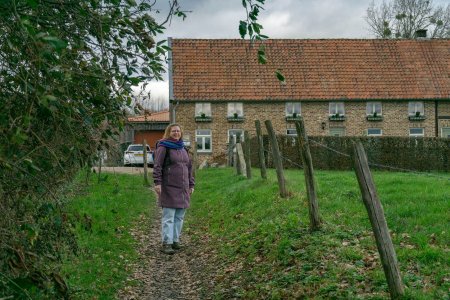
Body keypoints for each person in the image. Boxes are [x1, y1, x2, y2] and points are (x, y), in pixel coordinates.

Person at [153, 123, 195, 255]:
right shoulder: (163, 147)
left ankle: (175, 241)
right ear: (168, 133)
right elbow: (157, 166)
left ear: (181, 133)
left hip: (183, 188)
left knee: (179, 217)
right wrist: (157, 183)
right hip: (169, 187)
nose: (176, 133)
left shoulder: (183, 149)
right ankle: (167, 243)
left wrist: (191, 184)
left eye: (178, 131)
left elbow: (189, 169)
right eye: (173, 131)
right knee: (169, 217)